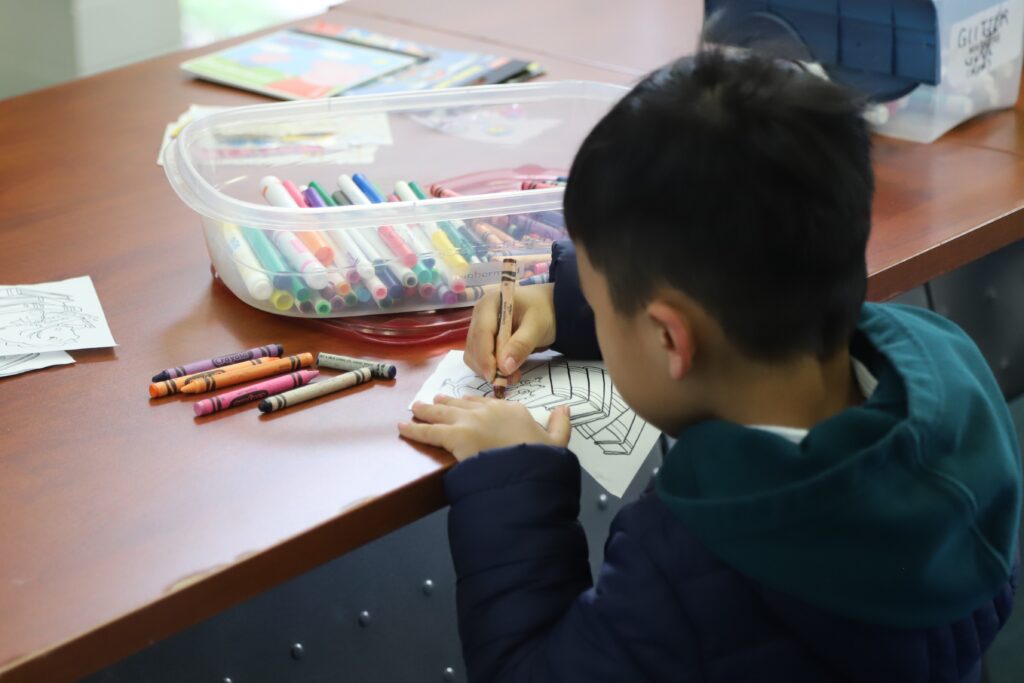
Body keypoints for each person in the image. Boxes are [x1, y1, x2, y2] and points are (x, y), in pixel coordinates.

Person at [398, 48, 1022, 682]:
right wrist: (566, 306)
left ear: (671, 338)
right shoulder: (950, 374)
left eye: (595, 297)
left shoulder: (695, 572)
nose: (589, 306)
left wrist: (516, 484)